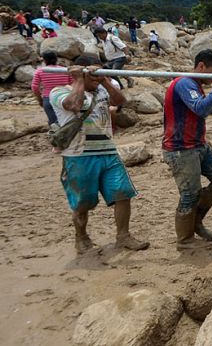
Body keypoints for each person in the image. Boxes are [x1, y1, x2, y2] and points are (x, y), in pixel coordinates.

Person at [51, 55, 150, 254]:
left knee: (123, 193)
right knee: (83, 202)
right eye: (92, 74)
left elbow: (121, 101)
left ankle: (123, 236)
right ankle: (81, 236)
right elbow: (74, 105)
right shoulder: (59, 92)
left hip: (108, 151)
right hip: (79, 155)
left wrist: (104, 80)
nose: (96, 77)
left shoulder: (102, 90)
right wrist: (79, 80)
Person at [163, 50, 212, 250]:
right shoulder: (184, 83)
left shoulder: (195, 85)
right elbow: (201, 109)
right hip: (180, 149)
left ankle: (196, 222)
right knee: (190, 194)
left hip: (198, 145)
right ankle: (184, 240)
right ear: (201, 66)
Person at [31, 51, 72, 126]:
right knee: (67, 121)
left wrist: (40, 99)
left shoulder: (40, 71)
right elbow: (73, 84)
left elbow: (34, 87)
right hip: (65, 97)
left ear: (44, 60)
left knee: (54, 123)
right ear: (56, 59)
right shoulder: (65, 70)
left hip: (48, 98)